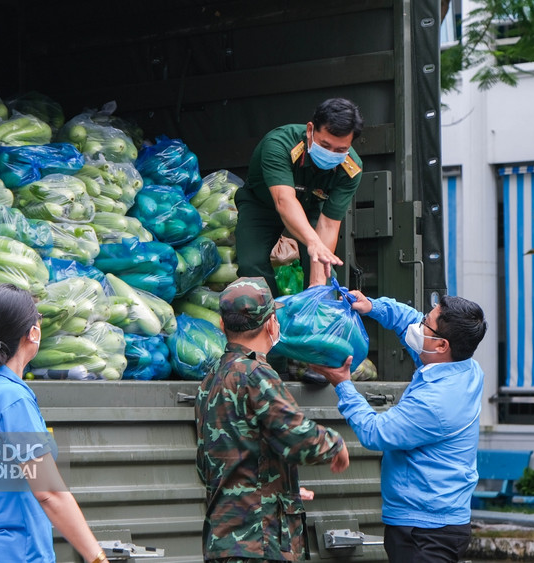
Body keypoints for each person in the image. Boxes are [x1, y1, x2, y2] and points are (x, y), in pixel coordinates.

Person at [311, 292, 487, 563]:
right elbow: (410, 322)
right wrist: (373, 307)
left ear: (441, 345)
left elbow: (375, 433)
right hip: (433, 522)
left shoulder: (435, 402)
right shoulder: (464, 368)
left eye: (425, 324)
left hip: (425, 531)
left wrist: (343, 385)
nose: (418, 326)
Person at [0, 283, 107, 563]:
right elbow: (50, 493)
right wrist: (97, 558)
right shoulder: (12, 400)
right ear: (34, 332)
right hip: (16, 555)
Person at [195, 277, 351, 562]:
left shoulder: (211, 379)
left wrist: (280, 489)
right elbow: (298, 438)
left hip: (224, 540)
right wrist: (335, 444)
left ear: (221, 325)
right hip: (258, 541)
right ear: (271, 324)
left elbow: (214, 463)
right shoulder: (256, 373)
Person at [234, 98, 364, 296]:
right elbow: (283, 200)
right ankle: (270, 319)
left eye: (340, 150)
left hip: (310, 208)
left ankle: (314, 318)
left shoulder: (351, 169)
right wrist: (313, 242)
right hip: (261, 205)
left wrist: (317, 282)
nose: (331, 154)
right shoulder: (279, 144)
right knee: (251, 266)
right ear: (310, 130)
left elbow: (328, 224)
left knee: (325, 277)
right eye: (325, 145)